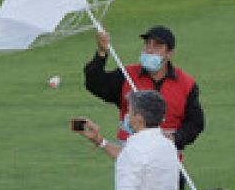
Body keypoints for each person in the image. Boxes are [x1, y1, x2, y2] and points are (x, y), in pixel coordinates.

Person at [83, 23, 204, 161]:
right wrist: (101, 52)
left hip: (167, 161)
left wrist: (175, 138)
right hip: (130, 160)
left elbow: (196, 123)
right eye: (147, 45)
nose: (150, 50)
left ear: (169, 53)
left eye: (157, 46)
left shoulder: (185, 84)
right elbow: (94, 83)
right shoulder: (126, 76)